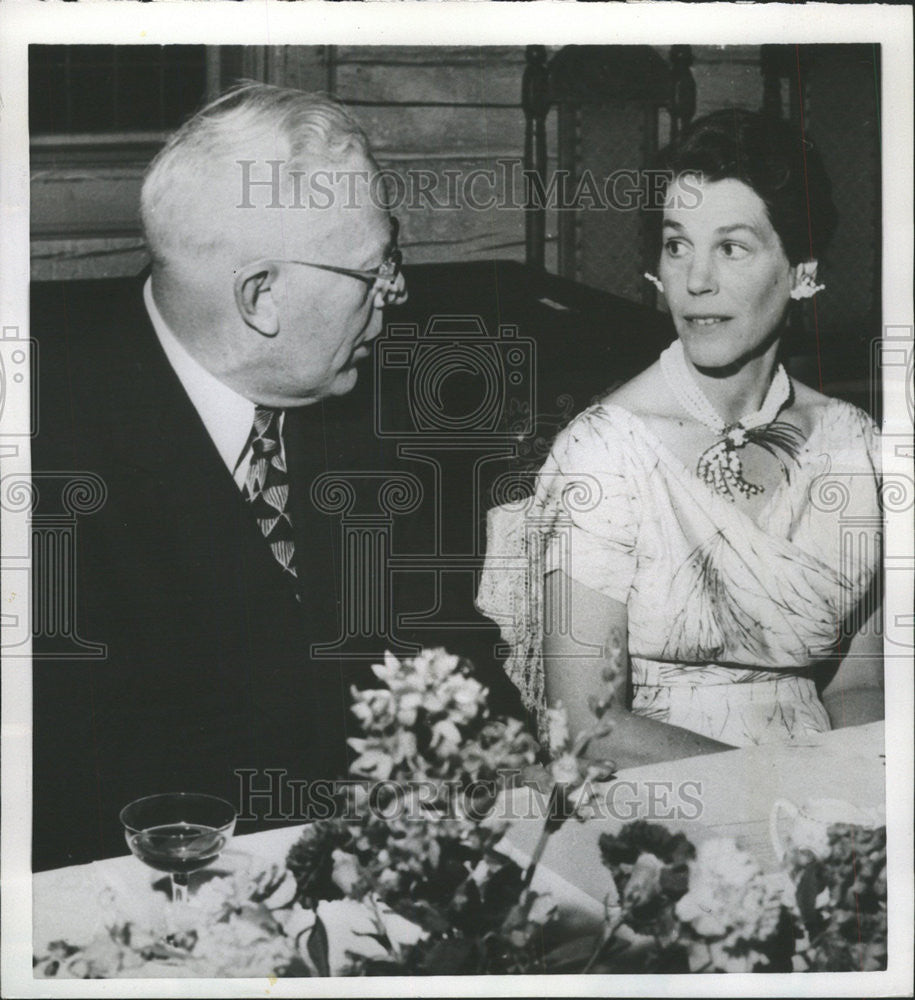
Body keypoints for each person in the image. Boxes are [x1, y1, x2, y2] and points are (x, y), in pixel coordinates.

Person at [30, 84, 408, 869]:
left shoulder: (355, 402)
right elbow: (72, 796)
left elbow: (425, 650)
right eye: (371, 272)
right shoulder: (45, 465)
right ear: (260, 295)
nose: (395, 293)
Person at [477, 108, 883, 770]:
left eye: (731, 247)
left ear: (803, 274)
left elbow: (859, 686)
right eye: (676, 245)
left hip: (818, 789)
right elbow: (588, 726)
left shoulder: (853, 446)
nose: (696, 281)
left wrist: (849, 805)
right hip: (654, 794)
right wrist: (773, 787)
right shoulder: (605, 453)